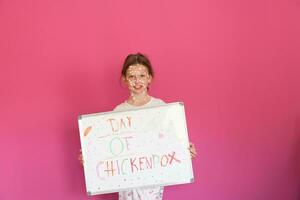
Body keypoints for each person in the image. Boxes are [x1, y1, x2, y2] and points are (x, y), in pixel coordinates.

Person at [80, 53, 197, 200]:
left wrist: (186, 152)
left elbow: (173, 142)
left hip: (153, 181)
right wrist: (90, 157)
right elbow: (108, 151)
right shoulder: (118, 113)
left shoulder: (161, 108)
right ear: (124, 79)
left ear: (149, 78)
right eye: (131, 77)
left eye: (142, 76)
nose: (137, 81)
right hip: (127, 184)